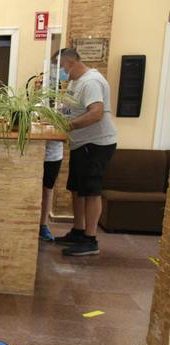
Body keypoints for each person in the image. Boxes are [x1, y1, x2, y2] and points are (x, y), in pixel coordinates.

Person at [53, 48, 117, 256]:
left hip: (95, 143)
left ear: (70, 63)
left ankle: (90, 239)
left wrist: (69, 126)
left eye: (61, 67)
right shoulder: (75, 82)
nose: (60, 71)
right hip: (81, 144)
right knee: (77, 189)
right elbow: (69, 108)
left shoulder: (91, 82)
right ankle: (78, 230)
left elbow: (96, 113)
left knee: (91, 190)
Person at [33, 72, 65, 241]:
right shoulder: (33, 105)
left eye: (41, 83)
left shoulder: (61, 107)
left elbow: (65, 129)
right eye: (37, 83)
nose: (38, 86)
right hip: (34, 154)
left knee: (47, 190)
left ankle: (42, 225)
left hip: (52, 155)